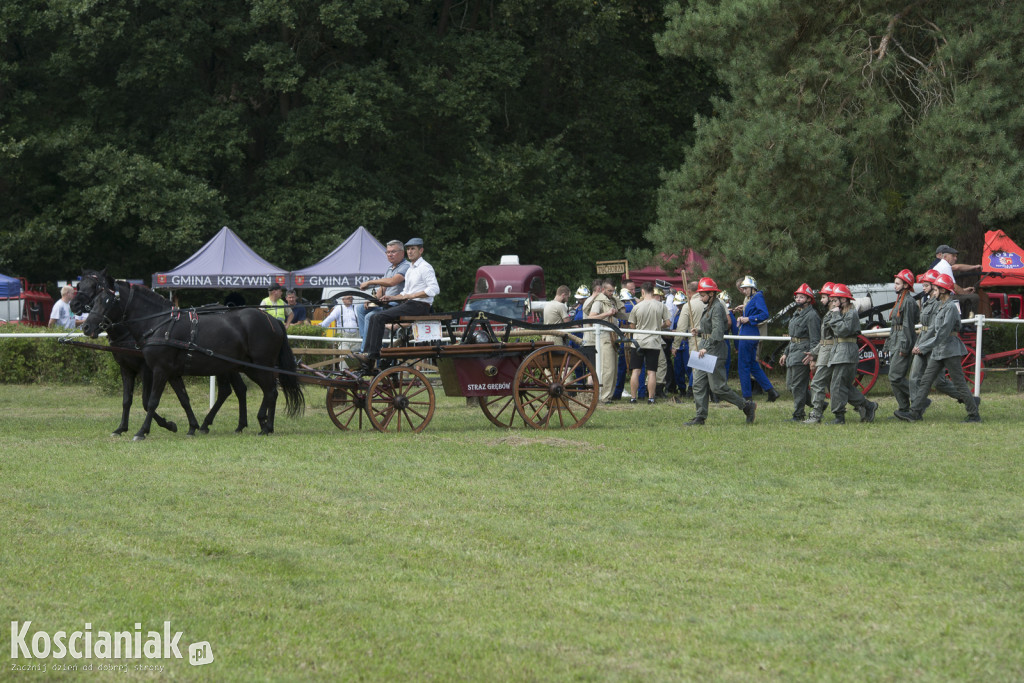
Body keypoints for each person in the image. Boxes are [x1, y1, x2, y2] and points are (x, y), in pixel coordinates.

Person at [896, 273, 981, 423]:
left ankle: (974, 414)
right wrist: (921, 345)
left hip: (950, 350)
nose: (932, 292)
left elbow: (942, 333)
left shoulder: (950, 308)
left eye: (935, 289)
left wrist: (923, 347)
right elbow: (933, 328)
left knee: (959, 383)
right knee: (926, 381)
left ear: (942, 290)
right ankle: (915, 413)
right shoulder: (942, 307)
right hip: (939, 350)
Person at [355, 238, 439, 367]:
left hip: (420, 306)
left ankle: (371, 357)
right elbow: (405, 292)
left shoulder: (425, 267)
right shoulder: (411, 269)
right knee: (373, 317)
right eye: (409, 249)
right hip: (410, 304)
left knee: (377, 317)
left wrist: (412, 295)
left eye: (413, 249)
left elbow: (434, 289)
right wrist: (392, 298)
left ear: (421, 250)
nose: (410, 252)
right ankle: (367, 354)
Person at [685, 278, 756, 426]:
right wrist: (698, 331)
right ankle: (700, 416)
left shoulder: (717, 307)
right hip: (704, 346)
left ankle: (746, 406)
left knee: (717, 388)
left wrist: (707, 345)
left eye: (703, 295)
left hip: (714, 349)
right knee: (698, 384)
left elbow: (718, 331)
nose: (701, 297)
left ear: (711, 293)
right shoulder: (708, 306)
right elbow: (709, 328)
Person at [818, 283, 878, 424]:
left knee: (837, 385)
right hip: (839, 351)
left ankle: (839, 417)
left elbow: (842, 331)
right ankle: (869, 406)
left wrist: (836, 315)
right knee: (843, 385)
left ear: (843, 300)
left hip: (846, 352)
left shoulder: (850, 313)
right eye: (831, 300)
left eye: (834, 300)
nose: (832, 303)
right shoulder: (842, 312)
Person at [908, 269, 961, 413]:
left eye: (926, 285)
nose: (923, 288)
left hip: (933, 343)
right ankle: (916, 409)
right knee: (914, 377)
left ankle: (966, 397)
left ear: (934, 286)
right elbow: (925, 326)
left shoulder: (941, 303)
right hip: (924, 340)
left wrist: (922, 345)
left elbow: (934, 328)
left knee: (939, 382)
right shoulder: (928, 301)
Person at [357, 240, 411, 351]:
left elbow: (392, 282)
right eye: (388, 252)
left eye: (393, 252)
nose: (390, 254)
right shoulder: (389, 269)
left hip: (398, 303)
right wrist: (372, 300)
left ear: (402, 253)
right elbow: (382, 289)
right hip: (386, 303)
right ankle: (366, 340)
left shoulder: (406, 266)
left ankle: (365, 351)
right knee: (360, 308)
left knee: (370, 316)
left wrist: (370, 282)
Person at [779, 283, 820, 422]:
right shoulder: (796, 314)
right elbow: (792, 337)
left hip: (803, 354)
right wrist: (785, 353)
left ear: (809, 299)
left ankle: (798, 414)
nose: (798, 299)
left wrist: (813, 357)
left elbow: (815, 339)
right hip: (792, 352)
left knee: (798, 386)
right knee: (791, 386)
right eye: (797, 297)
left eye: (802, 297)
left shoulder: (812, 316)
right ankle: (819, 404)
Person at [735, 276, 780, 402]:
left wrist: (748, 319)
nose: (743, 291)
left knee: (743, 366)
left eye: (745, 289)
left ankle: (746, 396)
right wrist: (744, 313)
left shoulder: (757, 296)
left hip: (749, 333)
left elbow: (764, 314)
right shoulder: (751, 298)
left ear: (752, 288)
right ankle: (771, 391)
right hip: (748, 332)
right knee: (753, 365)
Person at [882, 269, 919, 415]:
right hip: (896, 340)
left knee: (895, 376)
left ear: (905, 285)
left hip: (903, 342)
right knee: (894, 378)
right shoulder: (900, 300)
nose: (894, 286)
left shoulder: (908, 302)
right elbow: (894, 326)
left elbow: (908, 326)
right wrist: (887, 344)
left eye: (898, 283)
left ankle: (919, 398)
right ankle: (903, 408)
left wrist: (905, 346)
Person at [627, 281, 671, 404]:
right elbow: (668, 323)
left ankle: (633, 398)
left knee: (636, 371)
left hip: (638, 342)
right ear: (653, 291)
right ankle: (651, 398)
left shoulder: (637, 307)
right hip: (654, 341)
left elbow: (632, 325)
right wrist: (658, 326)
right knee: (652, 371)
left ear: (642, 292)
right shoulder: (661, 306)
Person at [586, 279, 625, 403]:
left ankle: (608, 395)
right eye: (609, 290)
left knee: (613, 369)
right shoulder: (599, 302)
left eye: (613, 291)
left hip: (612, 336)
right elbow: (591, 317)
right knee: (607, 368)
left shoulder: (610, 300)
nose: (611, 293)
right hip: (604, 336)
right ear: (603, 290)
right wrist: (607, 313)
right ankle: (604, 397)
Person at [930, 244, 981, 317]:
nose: (955, 258)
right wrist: (964, 293)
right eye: (953, 256)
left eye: (956, 256)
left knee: (964, 297)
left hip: (940, 295)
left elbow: (950, 287)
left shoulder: (942, 265)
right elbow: (954, 286)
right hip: (941, 297)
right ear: (945, 257)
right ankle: (968, 324)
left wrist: (964, 290)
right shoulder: (945, 266)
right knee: (974, 297)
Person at [674, 281, 704, 397]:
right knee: (709, 368)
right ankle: (713, 394)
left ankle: (693, 390)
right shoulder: (716, 302)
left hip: (696, 341)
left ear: (689, 292)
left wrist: (675, 345)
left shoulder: (688, 305)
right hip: (713, 340)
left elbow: (681, 328)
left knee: (697, 368)